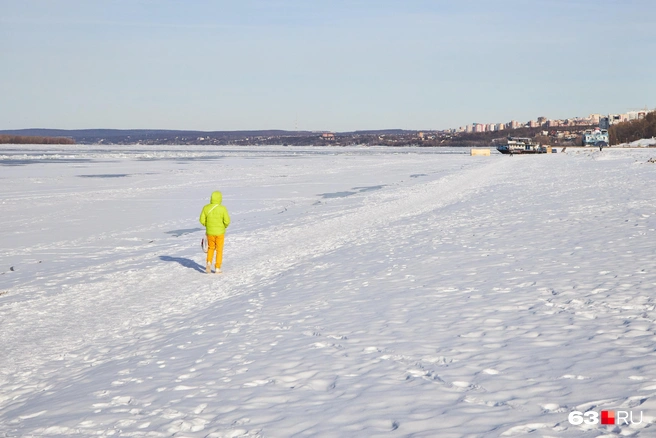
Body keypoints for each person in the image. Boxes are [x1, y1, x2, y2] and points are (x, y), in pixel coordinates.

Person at [199, 191, 231, 274]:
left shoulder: (206, 208)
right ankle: (217, 268)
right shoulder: (222, 208)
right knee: (219, 250)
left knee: (211, 248)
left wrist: (207, 225)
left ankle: (208, 262)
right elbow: (227, 220)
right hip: (220, 233)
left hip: (210, 232)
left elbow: (201, 220)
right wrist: (224, 226)